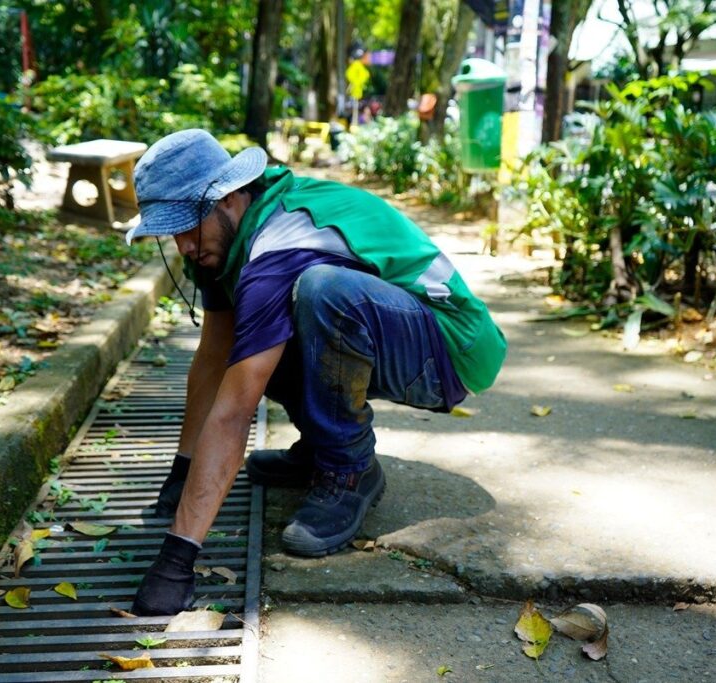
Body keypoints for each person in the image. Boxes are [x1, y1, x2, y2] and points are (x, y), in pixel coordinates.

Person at [124, 129, 506, 616]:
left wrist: (177, 559)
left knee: (323, 291)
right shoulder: (221, 240)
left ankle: (349, 471)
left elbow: (236, 408)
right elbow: (212, 356)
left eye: (188, 225)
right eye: (171, 232)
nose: (183, 247)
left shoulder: (279, 243)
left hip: (450, 348)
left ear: (231, 197)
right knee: (254, 342)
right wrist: (183, 465)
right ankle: (323, 447)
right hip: (397, 331)